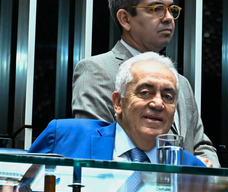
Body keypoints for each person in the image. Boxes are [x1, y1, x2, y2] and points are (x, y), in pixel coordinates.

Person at [72, 0, 219, 167]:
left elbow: (201, 144)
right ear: (125, 19)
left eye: (171, 9)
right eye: (157, 9)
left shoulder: (180, 81)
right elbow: (95, 146)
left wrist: (205, 171)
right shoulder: (97, 70)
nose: (168, 18)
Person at [30, 52, 205, 170]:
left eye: (168, 96)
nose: (158, 104)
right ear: (118, 102)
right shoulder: (64, 138)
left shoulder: (192, 168)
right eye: (145, 92)